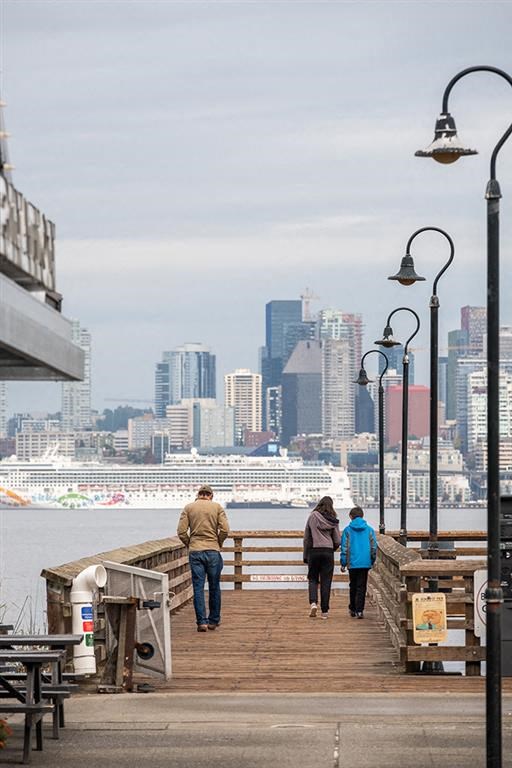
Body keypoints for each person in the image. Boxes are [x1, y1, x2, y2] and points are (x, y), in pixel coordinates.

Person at [177, 484, 230, 632]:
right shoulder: (217, 507)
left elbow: (181, 531)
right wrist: (218, 542)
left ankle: (201, 622)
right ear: (211, 495)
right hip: (213, 551)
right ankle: (213, 621)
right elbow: (225, 529)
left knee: (198, 588)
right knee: (214, 586)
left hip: (195, 552)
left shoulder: (189, 508)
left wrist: (190, 544)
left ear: (198, 494)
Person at [303, 496, 341, 619]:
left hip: (314, 551)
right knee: (326, 581)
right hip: (328, 552)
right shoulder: (333, 520)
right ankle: (325, 611)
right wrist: (331, 549)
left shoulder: (312, 516)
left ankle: (313, 603)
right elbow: (337, 540)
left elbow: (307, 538)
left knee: (313, 579)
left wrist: (306, 555)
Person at [340, 505, 377, 619]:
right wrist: (372, 560)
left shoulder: (347, 530)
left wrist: (343, 562)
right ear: (362, 516)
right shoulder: (370, 530)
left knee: (353, 585)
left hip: (352, 562)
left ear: (351, 516)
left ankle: (353, 608)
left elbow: (344, 548)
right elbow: (373, 547)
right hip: (365, 562)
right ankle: (360, 610)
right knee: (362, 586)